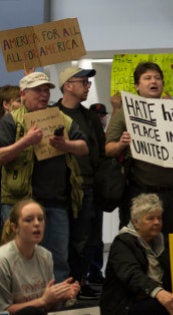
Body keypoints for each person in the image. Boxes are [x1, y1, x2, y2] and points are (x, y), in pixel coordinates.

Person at [0, 72, 88, 282]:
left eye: (46, 90)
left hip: (55, 202)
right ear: (23, 93)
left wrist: (66, 145)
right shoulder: (11, 121)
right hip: (18, 202)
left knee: (57, 259)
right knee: (16, 257)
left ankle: (55, 304)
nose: (44, 94)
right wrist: (25, 141)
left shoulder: (58, 117)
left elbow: (84, 147)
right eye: (38, 90)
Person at [105, 62, 173, 235]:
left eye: (157, 78)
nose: (153, 81)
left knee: (171, 243)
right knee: (137, 240)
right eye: (147, 78)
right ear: (137, 86)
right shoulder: (125, 112)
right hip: (140, 189)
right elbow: (108, 148)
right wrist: (121, 144)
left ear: (163, 84)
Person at [52, 66, 104, 299]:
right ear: (68, 86)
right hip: (58, 187)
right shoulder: (50, 114)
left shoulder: (90, 117)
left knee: (87, 239)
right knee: (61, 240)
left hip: (87, 186)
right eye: (83, 82)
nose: (87, 87)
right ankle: (64, 284)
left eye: (88, 83)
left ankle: (79, 282)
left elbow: (99, 152)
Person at [100, 193, 173, 315]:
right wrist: (158, 292)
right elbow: (132, 274)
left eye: (159, 218)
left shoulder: (162, 241)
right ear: (136, 222)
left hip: (150, 299)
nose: (157, 222)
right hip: (125, 305)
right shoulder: (122, 242)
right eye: (150, 218)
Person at [0, 199, 80, 315]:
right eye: (29, 220)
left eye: (40, 219)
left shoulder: (45, 256)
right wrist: (43, 300)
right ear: (14, 227)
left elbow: (47, 306)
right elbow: (3, 311)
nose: (37, 224)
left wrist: (60, 296)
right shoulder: (3, 260)